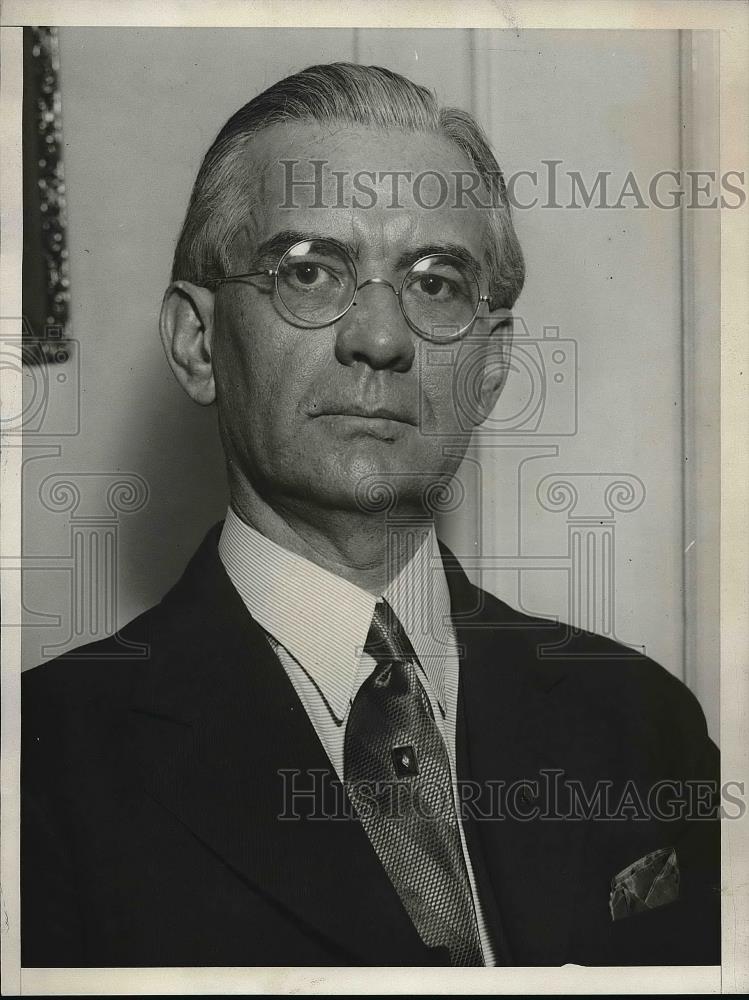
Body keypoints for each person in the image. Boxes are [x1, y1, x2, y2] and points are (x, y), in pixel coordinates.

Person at [21, 62, 720, 968]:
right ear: (198, 344)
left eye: (434, 284)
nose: (381, 339)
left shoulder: (641, 721)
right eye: (309, 272)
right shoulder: (45, 766)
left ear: (492, 365)